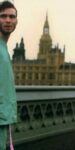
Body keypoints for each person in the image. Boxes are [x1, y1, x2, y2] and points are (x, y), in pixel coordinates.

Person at [0, 1, 17, 150]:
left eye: (12, 16)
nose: (8, 20)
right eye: (3, 16)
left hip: (4, 121)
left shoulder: (4, 48)